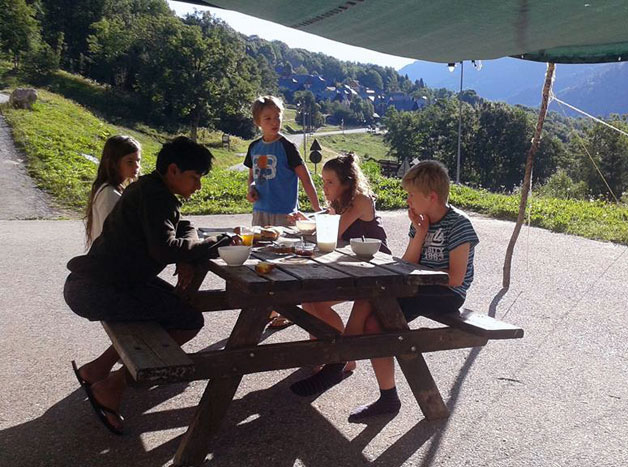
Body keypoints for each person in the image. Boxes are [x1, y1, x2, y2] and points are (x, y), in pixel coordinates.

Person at [64, 136, 234, 434]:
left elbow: (181, 226)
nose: (198, 186)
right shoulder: (155, 196)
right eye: (194, 177)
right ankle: (112, 387)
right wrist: (215, 244)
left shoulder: (152, 189)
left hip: (101, 282)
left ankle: (97, 370)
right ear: (173, 170)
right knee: (188, 319)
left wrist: (190, 248)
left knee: (176, 307)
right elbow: (165, 249)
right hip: (98, 289)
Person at [346, 160, 479, 421]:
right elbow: (407, 263)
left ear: (431, 197)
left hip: (446, 295)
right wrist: (419, 233)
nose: (408, 200)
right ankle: (388, 398)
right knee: (374, 320)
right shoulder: (421, 221)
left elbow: (455, 278)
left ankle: (339, 357)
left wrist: (415, 280)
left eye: (411, 195)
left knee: (379, 301)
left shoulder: (459, 225)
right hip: (418, 288)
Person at [288, 153, 391, 396]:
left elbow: (333, 232)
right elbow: (326, 226)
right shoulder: (339, 202)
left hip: (375, 268)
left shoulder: (360, 200)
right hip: (349, 265)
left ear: (347, 182)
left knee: (319, 303)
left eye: (329, 182)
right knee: (308, 299)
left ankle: (343, 359)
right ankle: (321, 354)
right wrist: (306, 222)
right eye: (322, 181)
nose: (324, 187)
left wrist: (314, 227)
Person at [244, 95, 321, 328]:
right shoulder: (254, 147)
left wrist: (317, 207)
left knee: (285, 263)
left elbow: (305, 178)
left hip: (284, 213)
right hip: (261, 212)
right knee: (261, 258)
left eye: (277, 116)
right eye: (268, 118)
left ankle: (287, 310)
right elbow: (251, 177)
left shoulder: (287, 146)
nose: (274, 121)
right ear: (258, 122)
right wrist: (250, 190)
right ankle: (268, 306)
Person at [84, 135, 141, 246]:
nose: (137, 166)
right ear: (113, 163)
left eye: (138, 160)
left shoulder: (118, 190)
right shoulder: (109, 194)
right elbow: (113, 237)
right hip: (110, 260)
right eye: (130, 162)